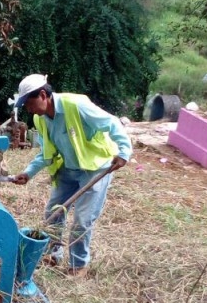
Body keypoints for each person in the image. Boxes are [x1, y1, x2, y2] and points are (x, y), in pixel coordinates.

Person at [12, 74, 132, 276]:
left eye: (29, 103)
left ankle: (78, 265)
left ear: (43, 94)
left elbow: (111, 122)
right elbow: (46, 152)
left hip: (94, 169)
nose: (28, 109)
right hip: (68, 169)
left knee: (82, 220)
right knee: (53, 213)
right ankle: (52, 254)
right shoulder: (39, 119)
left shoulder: (76, 105)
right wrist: (28, 173)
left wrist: (123, 152)